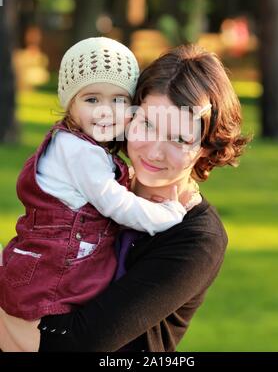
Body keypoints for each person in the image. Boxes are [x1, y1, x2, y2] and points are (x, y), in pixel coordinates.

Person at [36, 44, 250, 352]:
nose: (154, 151)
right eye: (147, 124)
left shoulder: (197, 238)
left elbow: (77, 343)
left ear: (205, 146)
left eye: (179, 139)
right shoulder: (97, 185)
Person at [0, 37, 192, 352]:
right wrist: (171, 214)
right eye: (91, 99)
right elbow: (117, 205)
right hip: (49, 285)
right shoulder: (79, 153)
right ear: (68, 102)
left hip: (45, 274)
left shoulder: (77, 144)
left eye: (118, 100)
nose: (105, 111)